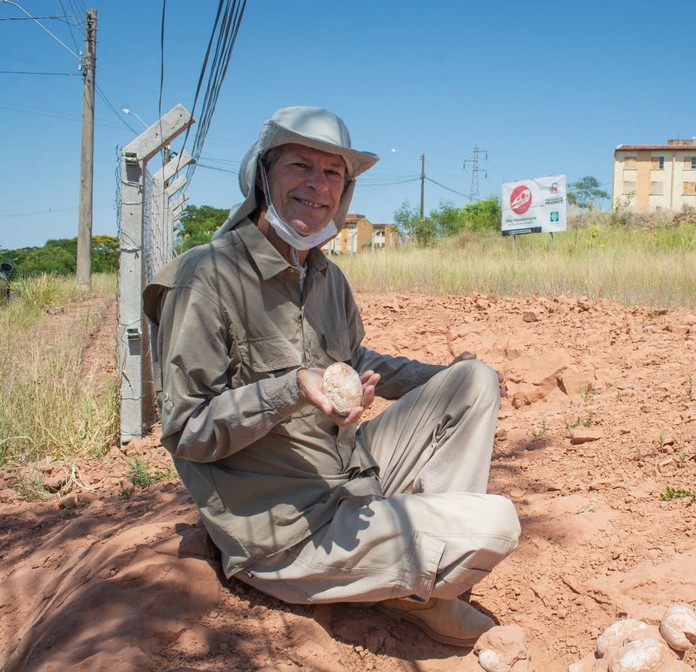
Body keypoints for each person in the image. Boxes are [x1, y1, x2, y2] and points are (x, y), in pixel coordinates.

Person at [142, 106, 520, 648]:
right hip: (285, 533)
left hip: (348, 481)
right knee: (496, 524)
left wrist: (443, 375)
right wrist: (289, 388)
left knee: (474, 381)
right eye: (301, 166)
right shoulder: (204, 279)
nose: (318, 186)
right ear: (262, 175)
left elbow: (355, 356)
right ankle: (417, 578)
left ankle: (422, 583)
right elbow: (187, 430)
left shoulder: (325, 274)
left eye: (333, 173)